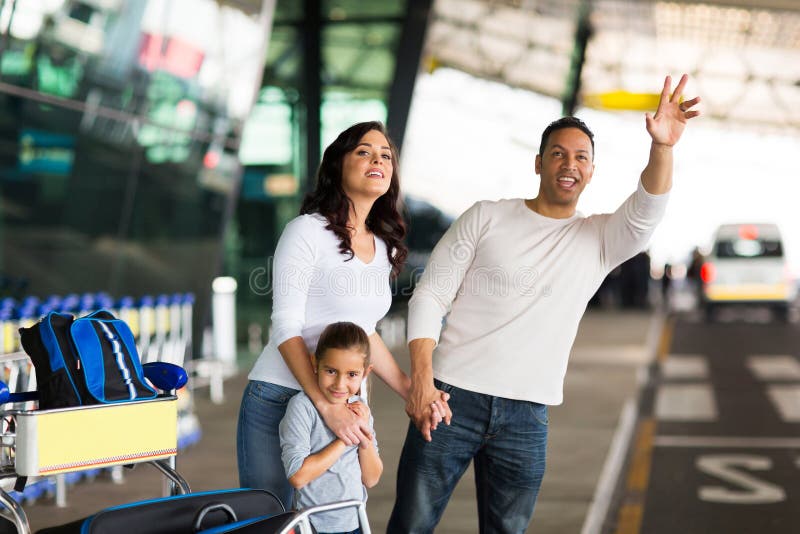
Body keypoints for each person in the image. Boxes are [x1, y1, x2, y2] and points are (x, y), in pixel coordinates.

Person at [388, 74, 701, 533]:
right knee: (411, 525)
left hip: (526, 415)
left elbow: (647, 209)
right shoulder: (487, 216)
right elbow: (431, 294)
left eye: (581, 157)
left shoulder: (598, 239)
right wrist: (421, 380)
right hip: (449, 397)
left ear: (591, 171)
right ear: (538, 163)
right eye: (558, 153)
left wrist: (663, 148)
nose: (568, 164)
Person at [236, 121, 449, 509]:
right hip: (281, 396)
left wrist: (413, 391)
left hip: (345, 399)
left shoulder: (383, 247)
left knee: (335, 515)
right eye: (364, 152)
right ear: (338, 166)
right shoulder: (306, 232)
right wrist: (328, 407)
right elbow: (286, 327)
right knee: (272, 518)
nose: (378, 160)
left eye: (385, 156)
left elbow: (364, 332)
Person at [279, 322, 381, 534]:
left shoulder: (360, 409)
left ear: (365, 373)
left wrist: (364, 438)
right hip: (312, 525)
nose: (340, 384)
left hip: (356, 521)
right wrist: (344, 439)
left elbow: (371, 478)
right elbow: (298, 477)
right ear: (314, 363)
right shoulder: (302, 407)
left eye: (352, 374)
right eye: (331, 371)